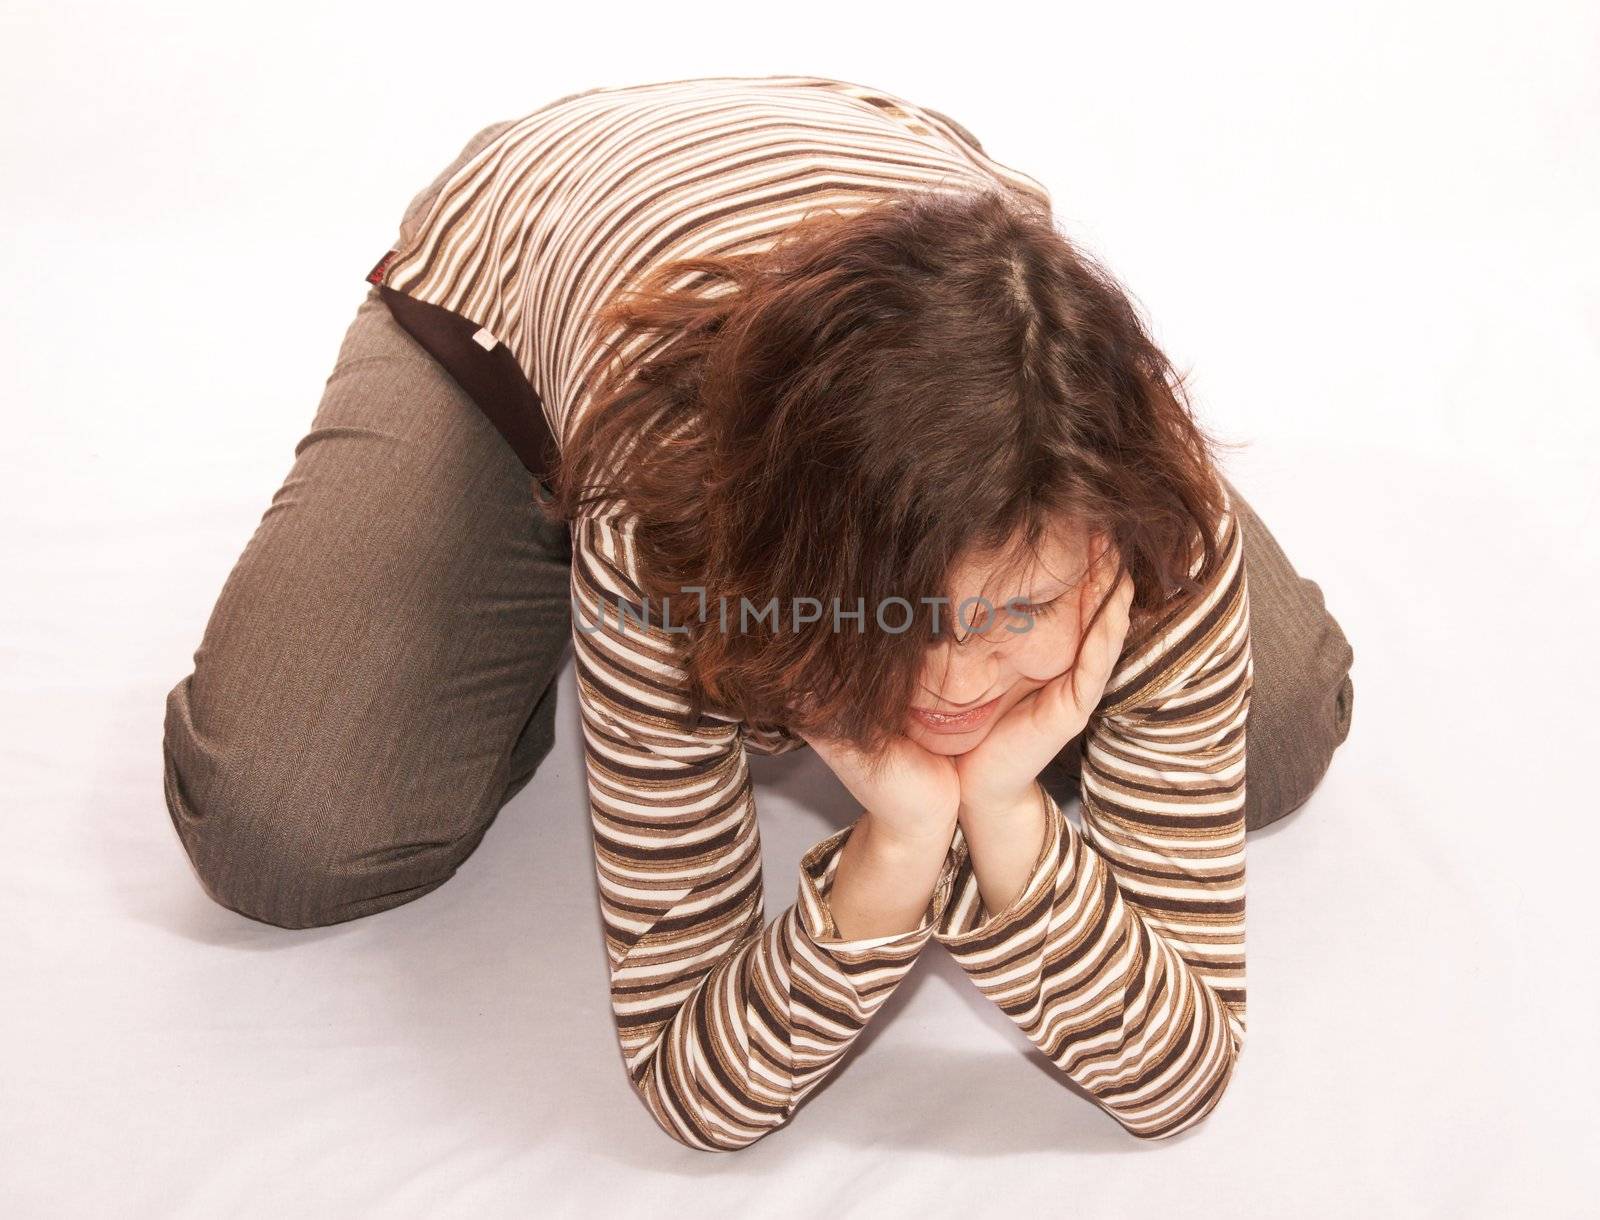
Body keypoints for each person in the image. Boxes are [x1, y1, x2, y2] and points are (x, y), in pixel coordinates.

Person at [161, 75, 1356, 1151]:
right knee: (286, 834)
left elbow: (1180, 1074)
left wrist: (1003, 815)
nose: (950, 685)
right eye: (892, 612)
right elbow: (695, 1089)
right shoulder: (663, 531)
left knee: (1277, 734)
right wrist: (889, 858)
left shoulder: (1156, 527)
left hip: (903, 190)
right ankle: (537, 552)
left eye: (1022, 606)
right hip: (531, 240)